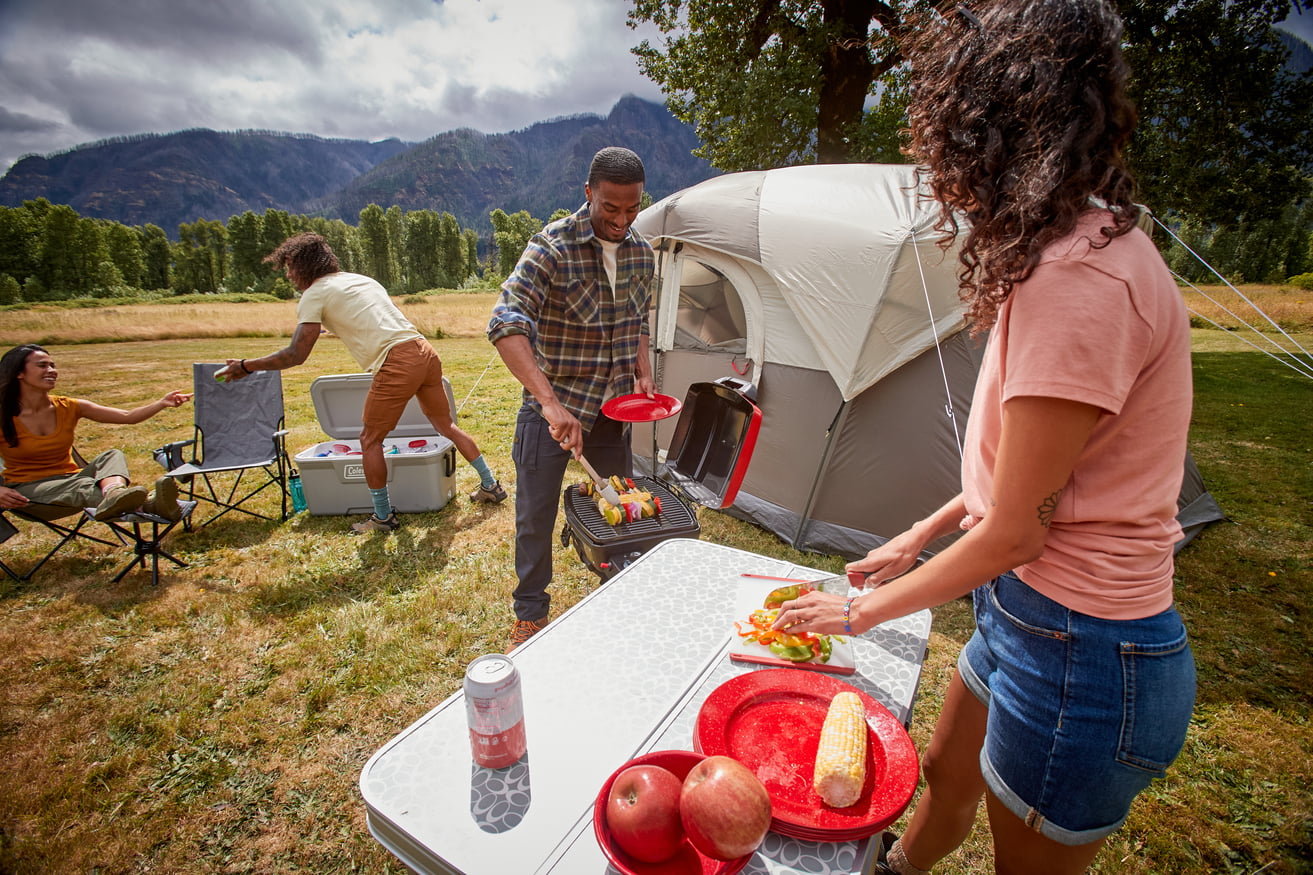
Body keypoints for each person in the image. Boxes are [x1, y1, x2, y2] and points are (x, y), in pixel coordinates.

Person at [771, 2, 1196, 873]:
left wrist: (855, 613)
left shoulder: (1079, 279)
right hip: (1023, 614)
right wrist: (916, 537)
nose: (941, 171)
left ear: (995, 128)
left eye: (947, 139)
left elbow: (1017, 528)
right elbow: (1024, 475)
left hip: (1081, 649)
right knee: (943, 772)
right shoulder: (1068, 249)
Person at [221, 232, 506, 534]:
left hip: (396, 361)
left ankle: (382, 517)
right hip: (424, 351)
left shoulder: (314, 294)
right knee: (445, 426)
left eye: (291, 266)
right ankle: (491, 485)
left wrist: (246, 366)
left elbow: (295, 354)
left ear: (306, 265)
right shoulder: (360, 280)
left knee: (370, 440)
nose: (289, 275)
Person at [488, 146, 657, 649]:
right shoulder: (551, 248)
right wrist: (549, 403)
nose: (622, 220)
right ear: (588, 194)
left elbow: (638, 320)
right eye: (611, 208)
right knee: (535, 517)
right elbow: (505, 323)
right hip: (552, 411)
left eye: (632, 209)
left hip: (610, 415)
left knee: (619, 510)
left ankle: (617, 594)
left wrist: (642, 366)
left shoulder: (642, 254)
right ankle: (531, 614)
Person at [0, 344, 190, 522]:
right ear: (19, 373)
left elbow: (127, 416)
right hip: (29, 494)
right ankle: (150, 505)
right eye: (42, 366)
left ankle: (114, 492)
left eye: (52, 365)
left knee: (111, 455)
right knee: (82, 486)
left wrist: (161, 403)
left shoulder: (68, 406)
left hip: (70, 479)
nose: (52, 370)